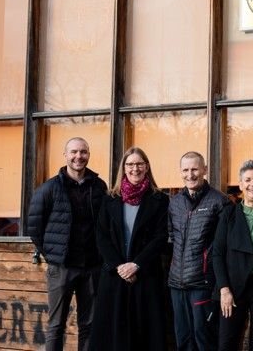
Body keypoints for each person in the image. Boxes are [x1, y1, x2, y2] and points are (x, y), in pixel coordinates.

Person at [27, 137, 108, 351]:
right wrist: (53, 254)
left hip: (92, 267)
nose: (78, 156)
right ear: (65, 155)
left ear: (88, 155)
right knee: (56, 326)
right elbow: (35, 227)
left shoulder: (99, 186)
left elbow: (105, 224)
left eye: (83, 152)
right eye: (74, 152)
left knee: (89, 325)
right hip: (61, 267)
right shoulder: (49, 188)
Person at [90, 147, 169, 351]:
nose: (135, 168)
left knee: (144, 334)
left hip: (146, 276)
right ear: (123, 168)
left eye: (139, 164)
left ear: (147, 167)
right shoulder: (110, 199)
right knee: (113, 336)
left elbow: (160, 237)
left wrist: (137, 264)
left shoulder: (160, 199)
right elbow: (101, 236)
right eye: (130, 164)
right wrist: (120, 267)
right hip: (115, 277)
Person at [168, 151, 233, 351]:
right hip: (177, 285)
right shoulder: (175, 202)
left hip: (203, 284)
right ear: (180, 172)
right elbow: (171, 239)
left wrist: (222, 286)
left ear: (205, 170)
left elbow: (226, 247)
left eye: (195, 169)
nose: (190, 174)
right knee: (183, 339)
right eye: (186, 170)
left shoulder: (220, 202)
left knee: (204, 339)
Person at [212, 159, 253, 351]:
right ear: (240, 184)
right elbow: (217, 254)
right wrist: (224, 290)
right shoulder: (229, 214)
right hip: (232, 287)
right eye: (248, 180)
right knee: (227, 343)